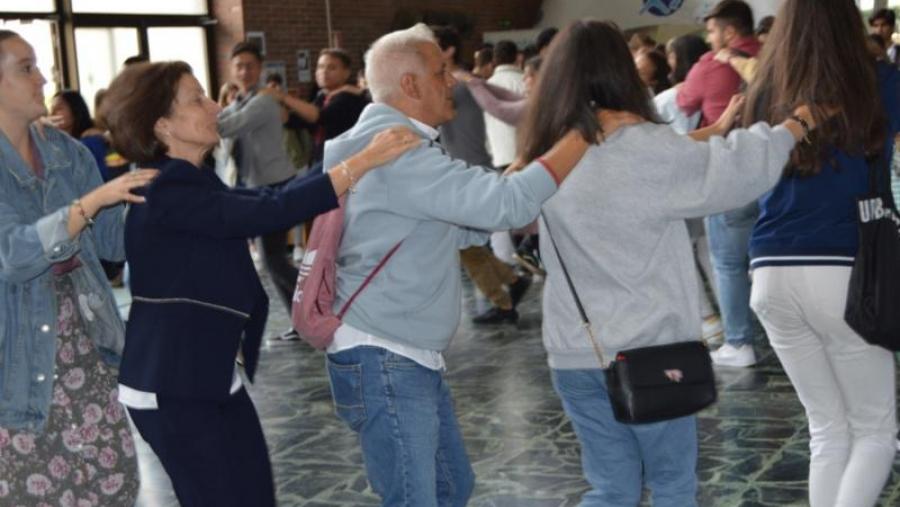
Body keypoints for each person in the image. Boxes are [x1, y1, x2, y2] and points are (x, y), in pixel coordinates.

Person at [323, 23, 636, 506]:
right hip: (385, 355)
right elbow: (505, 208)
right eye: (440, 71)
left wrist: (513, 178)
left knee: (451, 488)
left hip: (400, 351)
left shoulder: (393, 144)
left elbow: (459, 222)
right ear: (409, 85)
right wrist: (586, 131)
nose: (452, 80)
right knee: (416, 497)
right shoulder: (399, 153)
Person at [520, 19, 817, 507]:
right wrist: (794, 126)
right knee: (673, 484)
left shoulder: (546, 154)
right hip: (651, 352)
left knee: (610, 488)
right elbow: (733, 171)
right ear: (622, 70)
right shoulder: (642, 146)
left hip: (574, 351)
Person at [100, 60, 419, 507]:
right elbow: (266, 212)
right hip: (172, 381)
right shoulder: (165, 190)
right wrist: (362, 162)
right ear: (163, 125)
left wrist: (349, 155)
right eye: (197, 99)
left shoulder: (192, 179)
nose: (214, 106)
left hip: (207, 370)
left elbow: (267, 198)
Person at [744, 1, 900, 505]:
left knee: (827, 429)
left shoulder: (764, 90)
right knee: (875, 430)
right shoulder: (877, 81)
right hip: (846, 268)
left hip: (769, 270)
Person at [0, 30, 159, 505]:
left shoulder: (67, 153)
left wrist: (164, 189)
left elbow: (113, 245)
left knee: (113, 486)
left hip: (89, 353)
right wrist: (91, 203)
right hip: (17, 364)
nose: (42, 78)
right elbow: (12, 254)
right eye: (26, 68)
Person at [678, 0, 763, 367]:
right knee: (766, 258)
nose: (708, 37)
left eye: (711, 30)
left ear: (729, 32)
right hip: (777, 169)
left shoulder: (710, 64)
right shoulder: (774, 54)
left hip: (729, 171)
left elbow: (684, 102)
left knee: (727, 262)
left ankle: (739, 342)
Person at [432, 25, 532, 325]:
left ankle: (503, 301)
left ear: (447, 51)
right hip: (463, 170)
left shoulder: (459, 84)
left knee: (463, 244)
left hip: (468, 171)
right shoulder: (458, 82)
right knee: (466, 244)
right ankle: (510, 285)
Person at [218, 41, 305, 340]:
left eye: (250, 65)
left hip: (274, 185)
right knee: (272, 259)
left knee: (273, 258)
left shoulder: (263, 101)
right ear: (231, 68)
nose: (244, 71)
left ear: (260, 69)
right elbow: (227, 125)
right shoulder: (236, 103)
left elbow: (230, 127)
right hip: (251, 187)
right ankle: (303, 319)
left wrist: (192, 120)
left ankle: (315, 309)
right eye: (239, 65)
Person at [654, 33, 723, 344]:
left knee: (683, 254)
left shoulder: (668, 99)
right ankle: (730, 312)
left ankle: (707, 317)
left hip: (676, 186)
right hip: (712, 179)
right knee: (712, 252)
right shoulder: (715, 89)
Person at [267, 48, 369, 165]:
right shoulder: (322, 97)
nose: (324, 71)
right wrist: (277, 102)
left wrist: (284, 97)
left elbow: (320, 116)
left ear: (346, 73)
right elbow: (296, 121)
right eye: (320, 67)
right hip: (320, 160)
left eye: (332, 68)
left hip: (342, 163)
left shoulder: (349, 97)